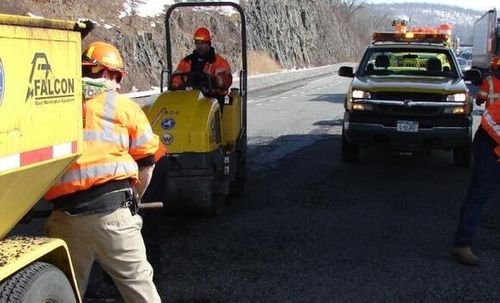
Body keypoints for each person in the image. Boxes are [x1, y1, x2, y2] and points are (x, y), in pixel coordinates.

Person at [44, 41, 162, 302]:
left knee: (66, 293)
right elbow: (147, 162)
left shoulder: (52, 107)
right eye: (117, 77)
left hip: (66, 219)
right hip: (115, 216)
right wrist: (135, 199)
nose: (118, 85)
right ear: (106, 73)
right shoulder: (123, 106)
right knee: (139, 288)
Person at [451, 56, 500, 266]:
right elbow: (491, 121)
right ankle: (462, 245)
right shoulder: (495, 81)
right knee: (479, 194)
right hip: (489, 144)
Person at [172, 27, 232, 109]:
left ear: (208, 44)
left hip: (212, 99)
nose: (200, 46)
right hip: (189, 99)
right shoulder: (187, 61)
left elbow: (225, 82)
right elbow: (176, 79)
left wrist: (214, 82)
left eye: (202, 43)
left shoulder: (219, 62)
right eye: (197, 43)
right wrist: (175, 85)